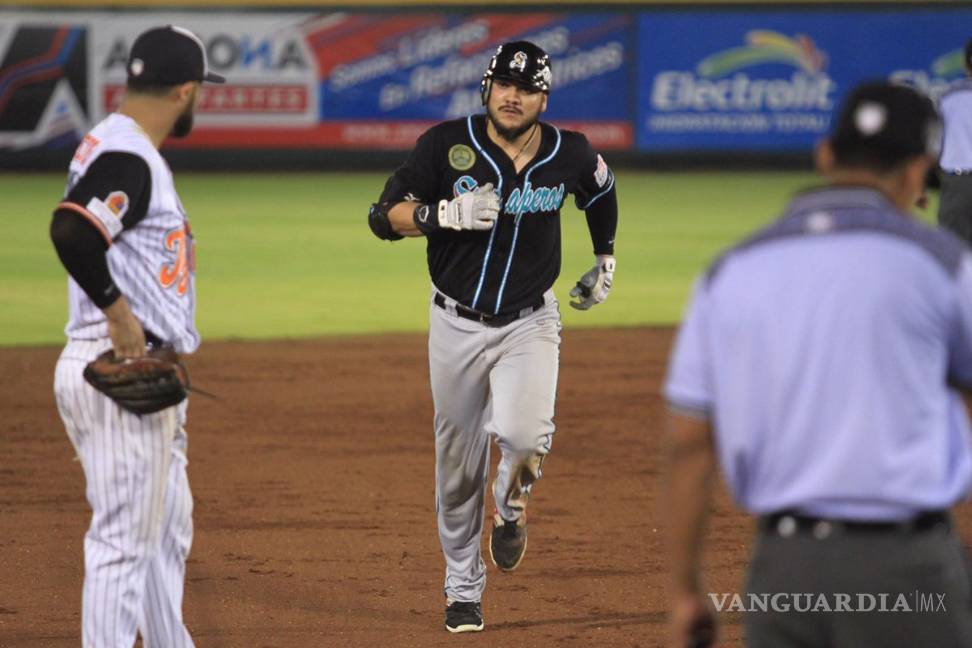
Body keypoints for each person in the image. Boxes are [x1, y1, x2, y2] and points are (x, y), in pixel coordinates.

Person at [663, 81, 972, 648]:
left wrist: (685, 590)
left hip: (784, 571)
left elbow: (689, 443)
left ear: (825, 156)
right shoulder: (945, 266)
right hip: (909, 570)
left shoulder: (732, 271)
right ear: (917, 173)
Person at [368, 40, 619, 633]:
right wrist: (440, 215)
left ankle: (510, 509)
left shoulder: (568, 152)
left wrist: (604, 257)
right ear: (487, 88)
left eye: (527, 89)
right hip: (454, 324)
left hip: (530, 322)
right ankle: (462, 587)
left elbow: (602, 191)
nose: (513, 96)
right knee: (458, 470)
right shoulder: (444, 145)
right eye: (504, 84)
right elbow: (383, 216)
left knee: (527, 438)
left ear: (544, 98)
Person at [49, 25, 224, 648]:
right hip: (116, 365)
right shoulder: (129, 156)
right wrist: (118, 313)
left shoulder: (118, 144)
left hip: (137, 370)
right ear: (185, 91)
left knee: (166, 527)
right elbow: (72, 230)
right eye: (200, 88)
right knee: (123, 542)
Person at [938, 38, 972, 245]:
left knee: (953, 251)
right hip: (957, 182)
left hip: (958, 183)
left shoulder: (948, 97)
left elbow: (935, 142)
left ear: (965, 64)